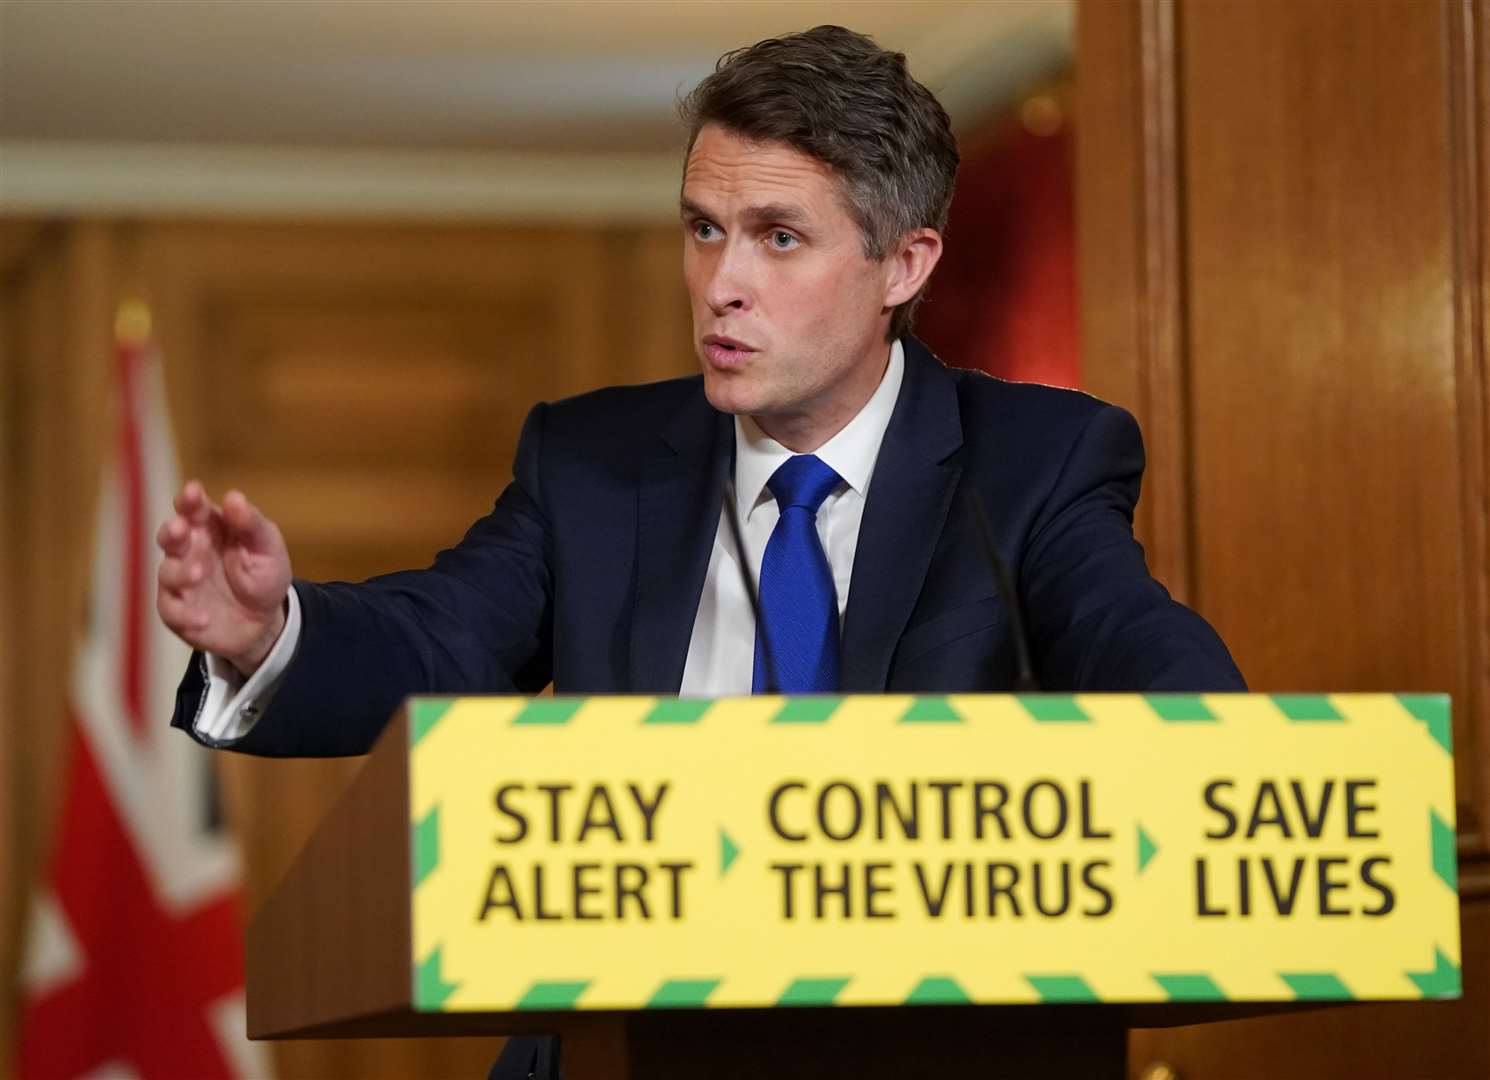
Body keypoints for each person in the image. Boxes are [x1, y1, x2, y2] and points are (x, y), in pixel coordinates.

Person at [156, 25, 1244, 1076]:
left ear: (903, 266)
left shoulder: (1030, 464)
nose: (721, 282)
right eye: (702, 228)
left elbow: (1138, 646)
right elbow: (443, 638)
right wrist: (267, 634)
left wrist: (1231, 768)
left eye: (778, 236)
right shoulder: (591, 462)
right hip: (612, 1049)